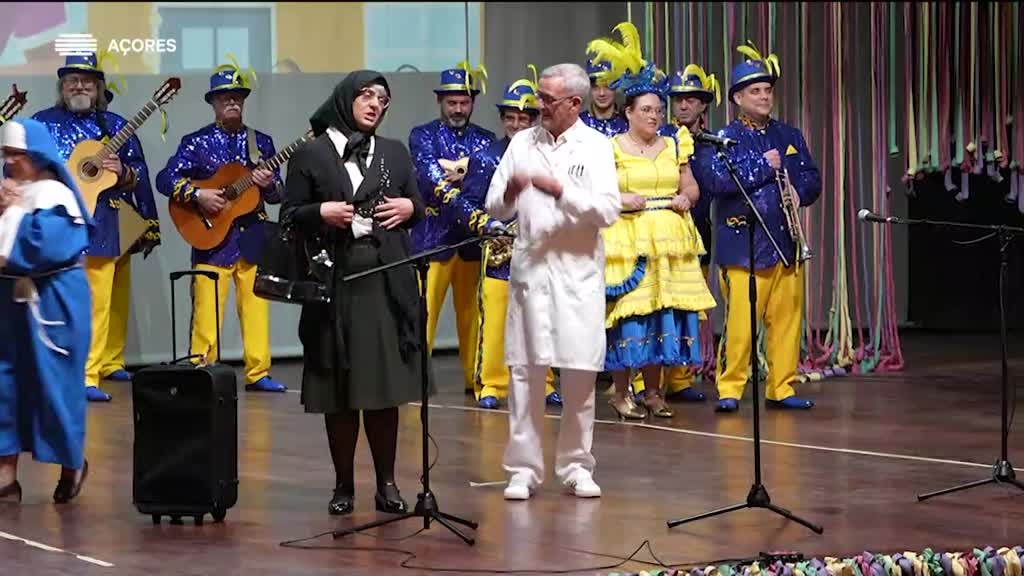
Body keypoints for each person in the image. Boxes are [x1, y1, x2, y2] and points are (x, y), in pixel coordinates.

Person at [281, 70, 426, 516]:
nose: (375, 104)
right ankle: (343, 485)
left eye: (382, 98)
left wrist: (410, 207)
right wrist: (320, 211)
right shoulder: (310, 154)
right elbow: (289, 217)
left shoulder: (395, 154)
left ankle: (387, 484)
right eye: (366, 95)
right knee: (339, 392)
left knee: (382, 393)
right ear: (346, 99)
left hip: (385, 285)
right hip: (334, 288)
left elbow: (417, 207)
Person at [486, 62, 621, 500]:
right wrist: (511, 192)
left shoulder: (596, 146)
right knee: (525, 373)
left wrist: (560, 189)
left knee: (579, 374)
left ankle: (576, 466)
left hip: (577, 275)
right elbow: (493, 205)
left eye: (547, 99)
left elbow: (608, 211)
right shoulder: (522, 142)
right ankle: (523, 469)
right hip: (531, 272)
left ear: (574, 103)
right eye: (539, 97)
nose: (537, 106)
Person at [586, 23, 717, 421]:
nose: (655, 116)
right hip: (629, 238)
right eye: (646, 110)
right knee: (632, 316)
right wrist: (622, 199)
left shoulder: (676, 142)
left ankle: (655, 393)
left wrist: (685, 197)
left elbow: (692, 186)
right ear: (628, 112)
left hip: (670, 236)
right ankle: (621, 390)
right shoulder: (610, 148)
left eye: (658, 110)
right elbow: (596, 194)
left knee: (666, 313)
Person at [32, 53, 161, 402]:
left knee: (109, 299)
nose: (79, 86)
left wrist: (123, 173)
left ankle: (100, 367)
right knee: (74, 303)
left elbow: (140, 174)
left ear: (99, 87)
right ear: (61, 86)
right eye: (72, 79)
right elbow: (24, 168)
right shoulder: (42, 123)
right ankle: (72, 373)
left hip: (109, 220)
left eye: (87, 80)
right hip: (61, 224)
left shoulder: (116, 125)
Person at [700, 43, 821, 413]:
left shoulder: (789, 134)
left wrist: (798, 192)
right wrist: (762, 167)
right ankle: (730, 388)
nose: (764, 96)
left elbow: (811, 178)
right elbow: (717, 182)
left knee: (786, 321)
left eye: (767, 90)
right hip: (743, 244)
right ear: (737, 98)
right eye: (755, 91)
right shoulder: (720, 139)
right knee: (740, 325)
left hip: (785, 241)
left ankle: (781, 387)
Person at [155, 60, 287, 393]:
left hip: (253, 235)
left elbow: (277, 195)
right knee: (206, 312)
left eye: (237, 97)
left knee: (257, 307)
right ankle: (201, 370)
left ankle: (259, 372)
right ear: (213, 102)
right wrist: (198, 195)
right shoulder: (196, 142)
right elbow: (165, 179)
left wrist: (268, 183)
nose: (232, 102)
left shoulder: (262, 143)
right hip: (211, 237)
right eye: (224, 97)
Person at [441, 68, 561, 409]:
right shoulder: (487, 156)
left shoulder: (551, 155)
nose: (518, 125)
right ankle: (492, 383)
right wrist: (484, 223)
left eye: (525, 118)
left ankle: (545, 381)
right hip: (500, 250)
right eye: (511, 118)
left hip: (540, 249)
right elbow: (470, 200)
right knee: (494, 318)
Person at [0, 118, 92, 504]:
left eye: (15, 155)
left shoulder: (55, 195)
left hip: (55, 300)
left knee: (55, 385)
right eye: (5, 155)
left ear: (36, 156)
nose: (8, 162)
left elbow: (44, 248)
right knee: (5, 385)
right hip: (9, 303)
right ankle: (5, 475)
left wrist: (13, 212)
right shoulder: (8, 191)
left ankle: (72, 465)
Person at [633, 64, 722, 404]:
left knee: (686, 308)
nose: (683, 106)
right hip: (654, 235)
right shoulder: (662, 139)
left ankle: (680, 379)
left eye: (691, 100)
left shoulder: (714, 144)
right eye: (678, 100)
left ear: (703, 104)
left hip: (695, 232)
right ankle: (646, 382)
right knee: (651, 306)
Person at [408, 62, 495, 395]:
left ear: (473, 102)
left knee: (472, 314)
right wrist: (466, 174)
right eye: (452, 102)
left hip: (472, 240)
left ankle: (476, 378)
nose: (458, 108)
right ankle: (415, 380)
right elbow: (427, 177)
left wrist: (460, 174)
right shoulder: (422, 135)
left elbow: (483, 183)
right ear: (440, 101)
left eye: (464, 102)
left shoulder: (486, 139)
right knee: (423, 312)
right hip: (432, 235)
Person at [579, 58, 628, 138]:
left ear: (616, 87)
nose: (602, 93)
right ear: (589, 89)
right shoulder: (578, 123)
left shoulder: (628, 124)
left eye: (607, 87)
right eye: (596, 87)